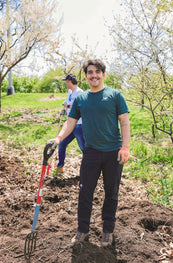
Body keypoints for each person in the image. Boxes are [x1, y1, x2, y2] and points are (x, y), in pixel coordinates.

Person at [53, 59, 130, 247]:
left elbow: (125, 122)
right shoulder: (81, 99)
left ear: (103, 74)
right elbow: (70, 123)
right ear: (86, 76)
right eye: (89, 72)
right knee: (85, 192)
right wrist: (58, 138)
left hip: (113, 153)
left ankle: (107, 231)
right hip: (91, 153)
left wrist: (125, 147)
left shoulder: (115, 95)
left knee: (111, 193)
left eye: (97, 72)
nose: (93, 75)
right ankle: (82, 230)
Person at [55, 73, 85, 175]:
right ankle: (60, 167)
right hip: (70, 125)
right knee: (62, 144)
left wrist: (68, 107)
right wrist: (64, 107)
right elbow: (68, 103)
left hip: (79, 125)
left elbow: (80, 107)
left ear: (70, 81)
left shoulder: (80, 92)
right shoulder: (69, 92)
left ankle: (89, 170)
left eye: (66, 82)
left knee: (84, 149)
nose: (65, 84)